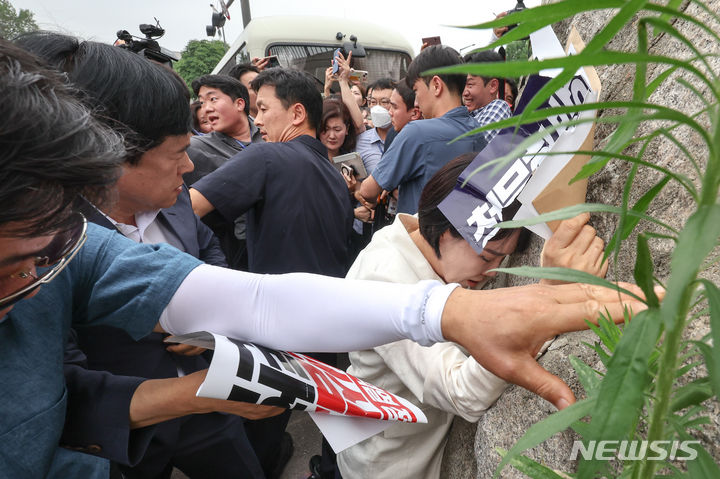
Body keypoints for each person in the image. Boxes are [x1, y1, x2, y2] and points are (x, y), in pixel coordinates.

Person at [0, 38, 651, 479]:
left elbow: (249, 299)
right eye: (20, 261)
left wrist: (447, 310)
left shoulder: (70, 244)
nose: (44, 274)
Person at [15, 32, 274, 478]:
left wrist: (205, 316)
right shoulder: (42, 243)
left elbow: (208, 250)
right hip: (123, 432)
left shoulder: (174, 196)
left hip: (208, 404)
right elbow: (59, 382)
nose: (189, 167)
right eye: (176, 153)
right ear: (110, 155)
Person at [337, 154, 609, 479]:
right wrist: (549, 297)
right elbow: (462, 393)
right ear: (444, 233)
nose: (493, 273)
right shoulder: (384, 282)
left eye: (502, 260)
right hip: (389, 466)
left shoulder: (420, 240)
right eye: (487, 257)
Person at [189, 68, 353, 278]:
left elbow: (187, 209)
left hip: (274, 305)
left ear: (297, 114)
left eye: (263, 109)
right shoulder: (336, 177)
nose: (257, 121)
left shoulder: (265, 156)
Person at [358, 45, 487, 215]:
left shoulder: (417, 133)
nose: (416, 102)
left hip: (420, 237)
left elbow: (368, 191)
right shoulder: (478, 132)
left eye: (417, 90)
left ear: (436, 85)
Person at [184, 74, 264, 271]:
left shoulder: (269, 134)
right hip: (235, 257)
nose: (207, 108)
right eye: (202, 102)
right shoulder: (195, 148)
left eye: (213, 99)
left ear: (239, 103)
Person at [462, 50, 512, 142]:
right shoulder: (466, 114)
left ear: (493, 86)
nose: (464, 92)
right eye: (461, 85)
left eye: (470, 85)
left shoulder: (499, 107)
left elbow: (470, 148)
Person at [319, 96, 357, 160]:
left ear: (347, 129)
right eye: (326, 129)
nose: (332, 136)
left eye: (337, 130)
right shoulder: (309, 158)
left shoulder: (351, 160)